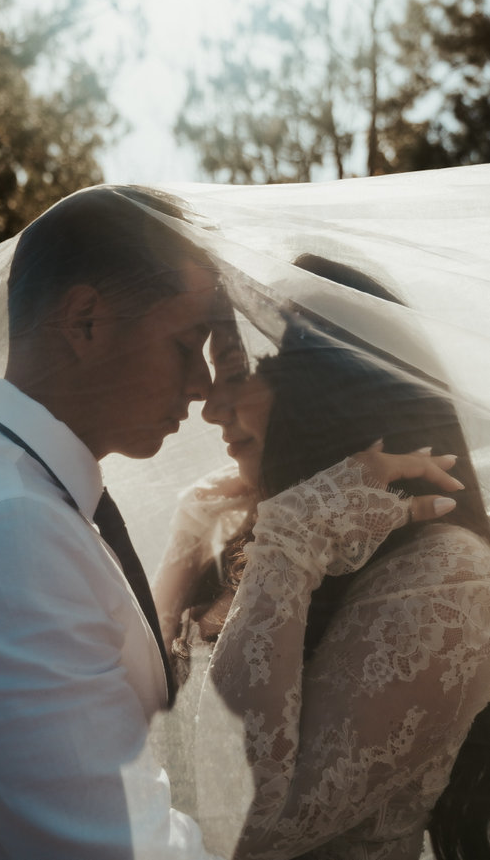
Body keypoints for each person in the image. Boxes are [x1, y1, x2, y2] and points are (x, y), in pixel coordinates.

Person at [0, 185, 228, 859]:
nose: (202, 385)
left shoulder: (11, 487)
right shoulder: (3, 532)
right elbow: (113, 845)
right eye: (185, 343)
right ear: (84, 320)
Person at [153, 257, 490, 860]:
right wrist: (185, 550)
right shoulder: (249, 537)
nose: (210, 408)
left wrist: (291, 537)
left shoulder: (450, 578)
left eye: (234, 371)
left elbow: (247, 824)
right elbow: (134, 744)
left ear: (326, 389)